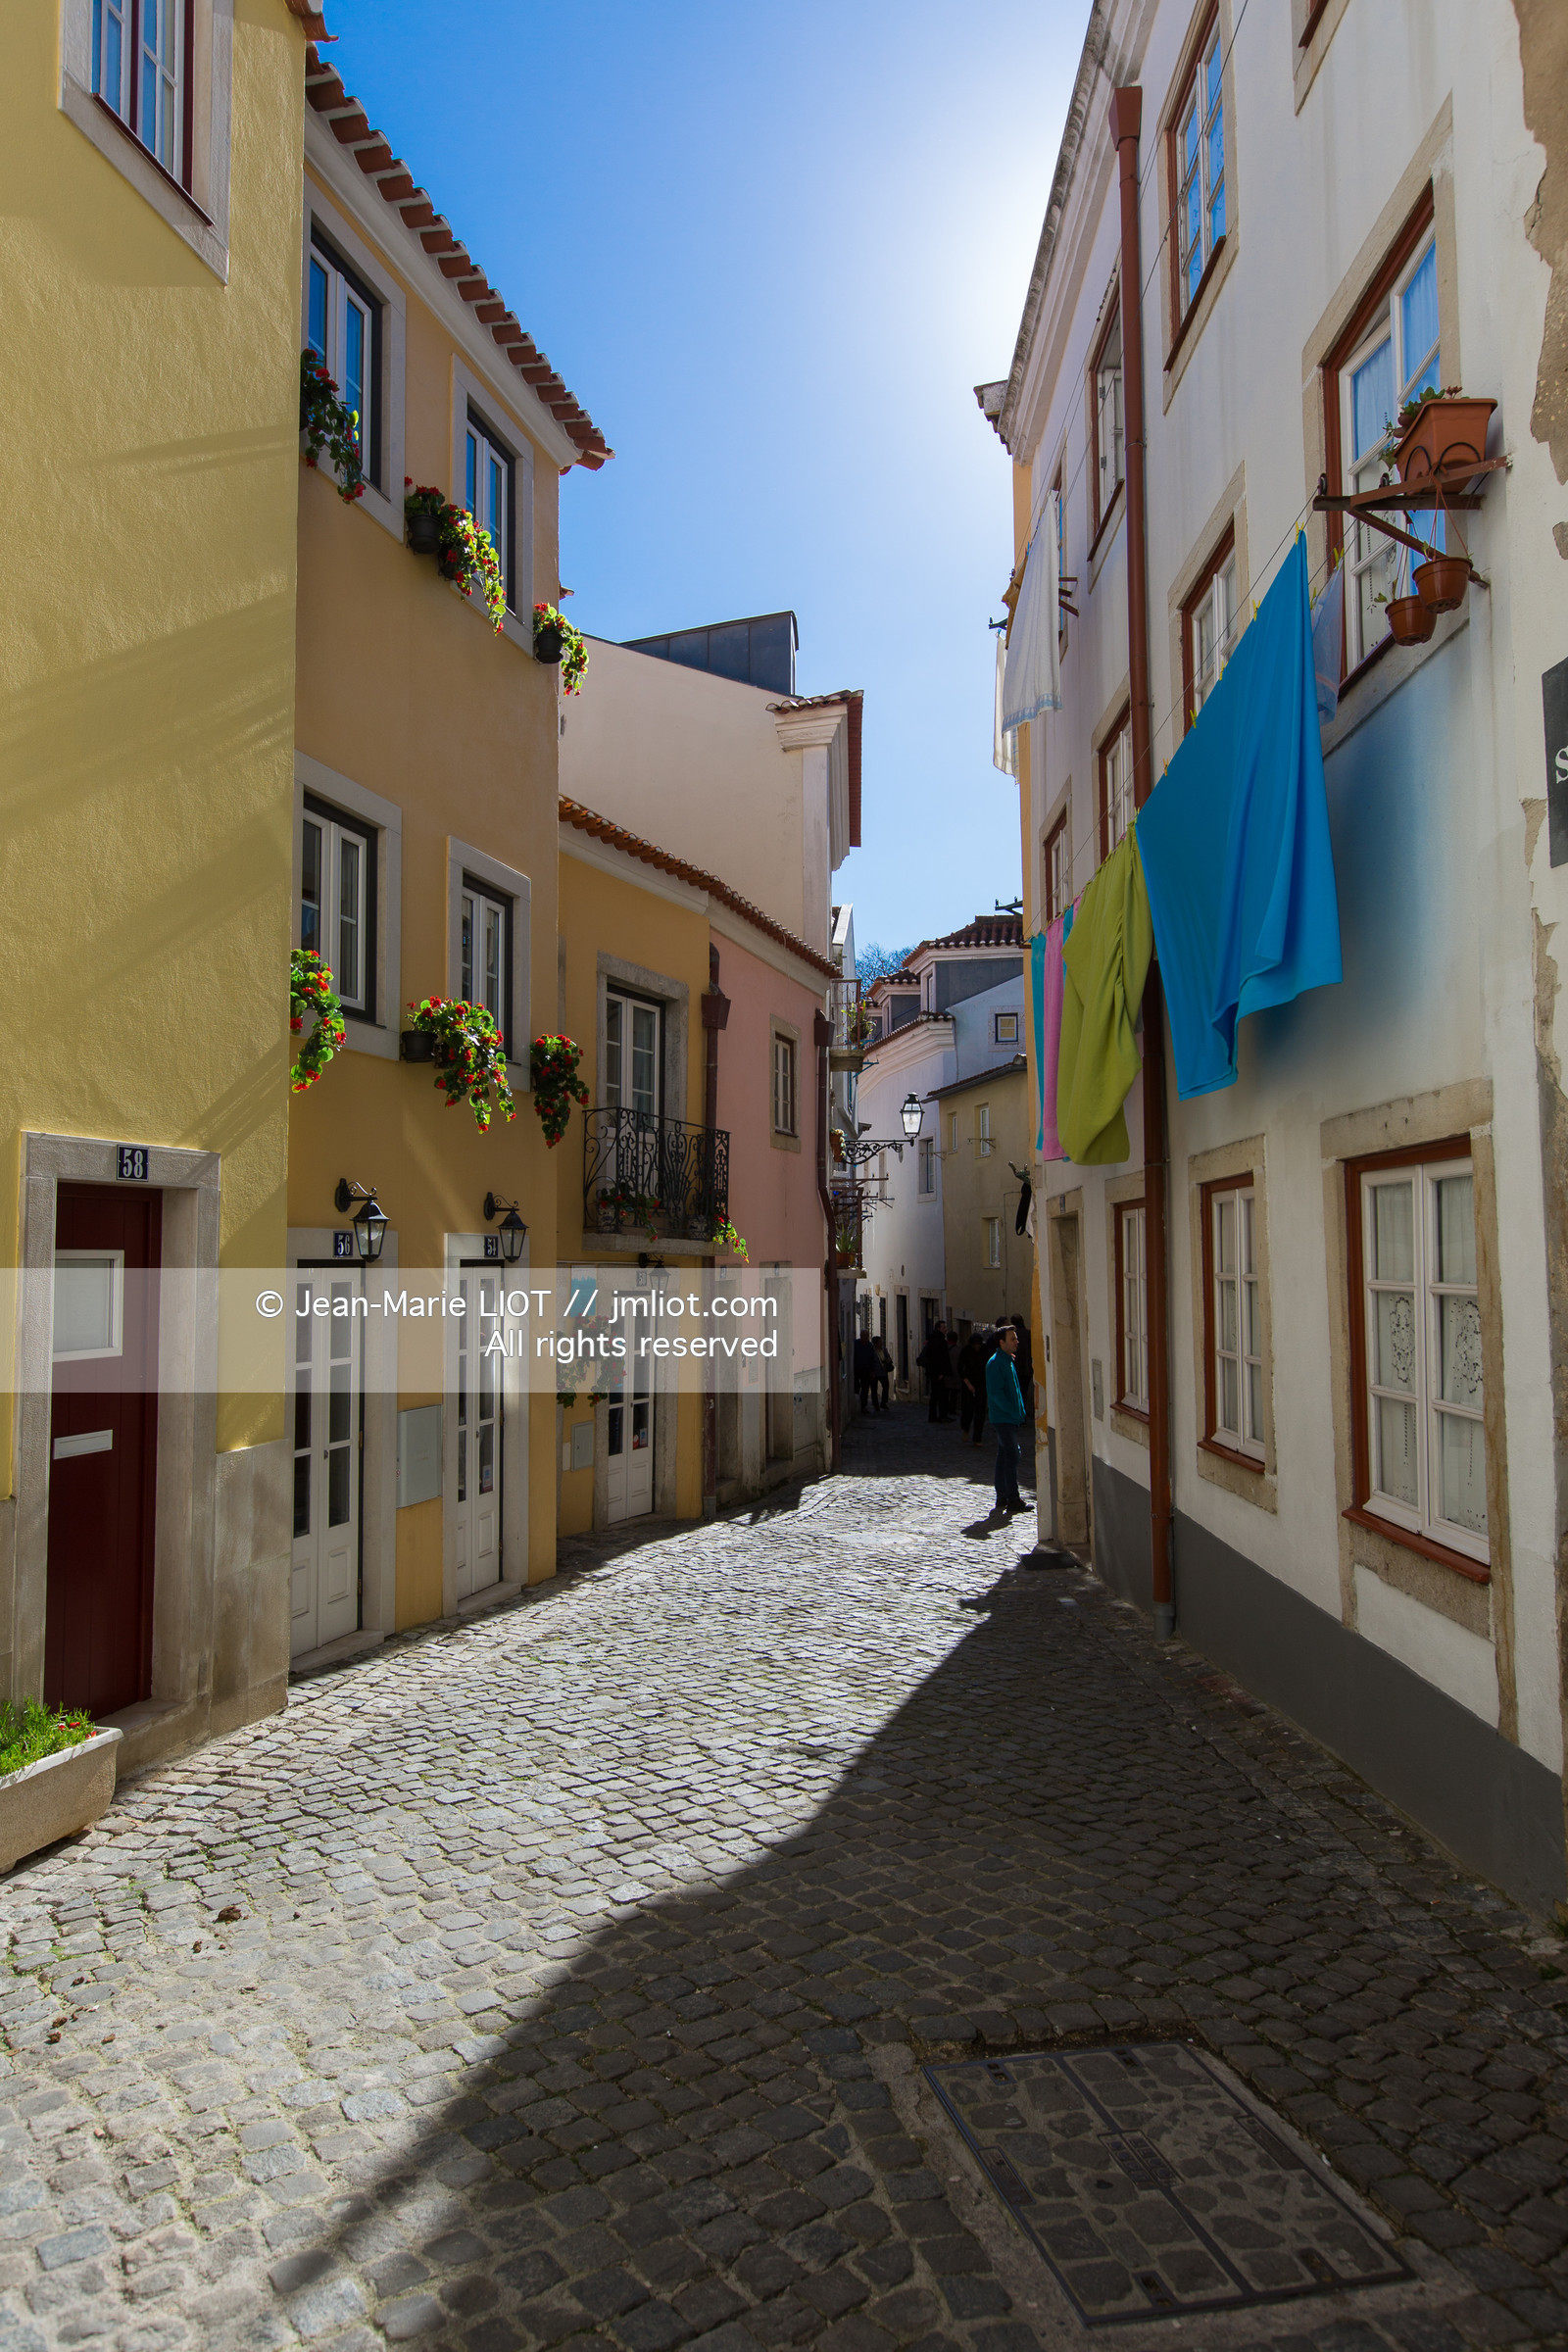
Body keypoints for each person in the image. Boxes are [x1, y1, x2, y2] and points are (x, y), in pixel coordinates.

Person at [985, 1322, 1028, 1517]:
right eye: (1013, 1339)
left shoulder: (1006, 1360)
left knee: (1004, 1456)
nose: (1017, 1341)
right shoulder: (996, 1363)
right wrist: (1013, 1411)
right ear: (1002, 1343)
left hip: (1009, 1417)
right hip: (1003, 1418)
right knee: (1012, 1455)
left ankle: (1002, 1496)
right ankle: (1012, 1498)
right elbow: (996, 1394)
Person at [959, 1328, 991, 1447]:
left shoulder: (985, 1351)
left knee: (980, 1411)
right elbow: (960, 1369)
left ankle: (977, 1437)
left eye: (978, 1345)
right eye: (975, 1345)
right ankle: (966, 1428)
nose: (977, 1347)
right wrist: (968, 1384)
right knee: (968, 1410)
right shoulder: (966, 1351)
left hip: (982, 1384)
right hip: (968, 1383)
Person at [916, 1323, 953, 1422]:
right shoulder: (938, 1340)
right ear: (938, 1328)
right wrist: (941, 1373)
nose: (946, 1329)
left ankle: (935, 1416)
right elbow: (937, 1358)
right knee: (939, 1395)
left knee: (935, 1395)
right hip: (937, 1373)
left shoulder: (934, 1339)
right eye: (944, 1327)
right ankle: (940, 1415)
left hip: (934, 1372)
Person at [853, 1329, 879, 1417]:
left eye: (867, 1336)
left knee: (865, 1388)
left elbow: (873, 1359)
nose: (866, 1337)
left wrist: (872, 1371)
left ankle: (863, 1406)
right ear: (860, 1335)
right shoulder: (855, 1344)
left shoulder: (870, 1345)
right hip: (856, 1369)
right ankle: (855, 1405)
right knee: (856, 1387)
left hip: (866, 1370)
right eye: (865, 1335)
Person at [873, 1335, 894, 1411]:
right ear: (875, 1343)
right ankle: (876, 1405)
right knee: (874, 1389)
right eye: (879, 1342)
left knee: (886, 1386)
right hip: (875, 1372)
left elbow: (888, 1358)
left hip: (883, 1371)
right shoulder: (872, 1351)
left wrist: (887, 1360)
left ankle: (883, 1402)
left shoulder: (884, 1350)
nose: (881, 1343)